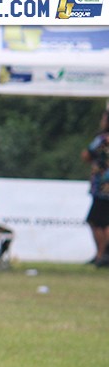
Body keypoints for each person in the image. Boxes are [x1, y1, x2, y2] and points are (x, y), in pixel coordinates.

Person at [81, 109, 109, 266]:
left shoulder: (102, 139)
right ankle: (104, 255)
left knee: (96, 221)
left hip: (103, 187)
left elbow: (87, 155)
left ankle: (102, 254)